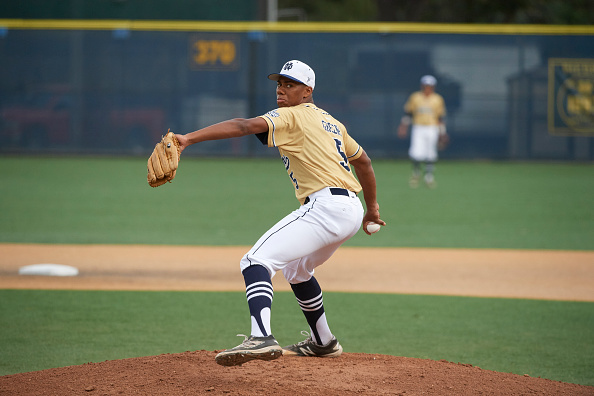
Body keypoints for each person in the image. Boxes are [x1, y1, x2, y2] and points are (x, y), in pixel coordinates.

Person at [174, 60, 385, 367]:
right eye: (279, 84)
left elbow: (244, 126)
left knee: (255, 260)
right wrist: (372, 208)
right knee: (297, 270)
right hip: (351, 209)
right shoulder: (333, 123)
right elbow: (363, 162)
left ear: (307, 92)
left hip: (325, 207)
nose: (281, 90)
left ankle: (260, 337)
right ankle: (323, 342)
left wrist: (188, 139)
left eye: (290, 85)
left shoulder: (291, 115)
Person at [397, 75, 448, 188]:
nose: (428, 88)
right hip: (418, 127)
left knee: (431, 152)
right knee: (416, 152)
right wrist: (403, 127)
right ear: (422, 86)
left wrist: (443, 132)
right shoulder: (415, 97)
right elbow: (408, 114)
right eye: (426, 86)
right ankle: (416, 174)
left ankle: (429, 177)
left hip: (432, 128)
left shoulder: (437, 99)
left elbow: (440, 118)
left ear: (433, 87)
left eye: (430, 86)